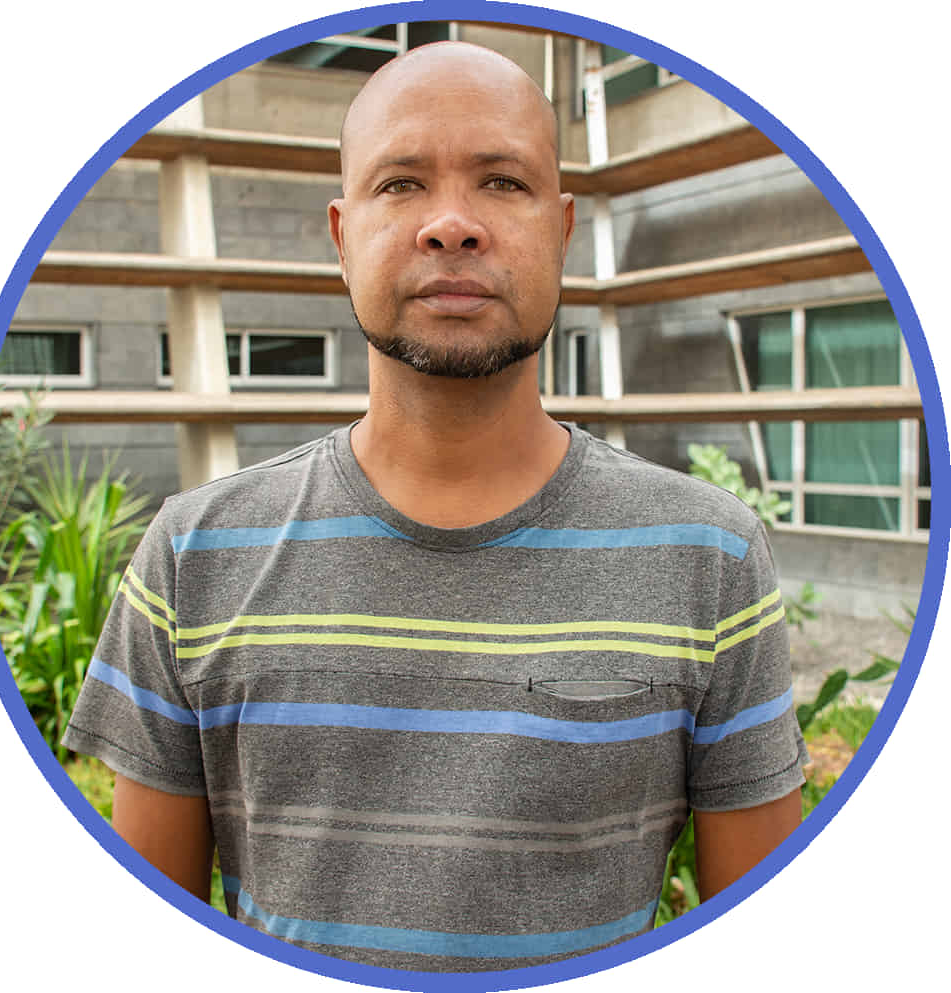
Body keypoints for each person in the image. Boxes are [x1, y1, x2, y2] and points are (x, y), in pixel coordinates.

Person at [63, 42, 808, 974]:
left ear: (562, 230)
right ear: (341, 236)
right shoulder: (194, 553)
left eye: (502, 181)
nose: (451, 225)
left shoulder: (707, 555)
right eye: (401, 183)